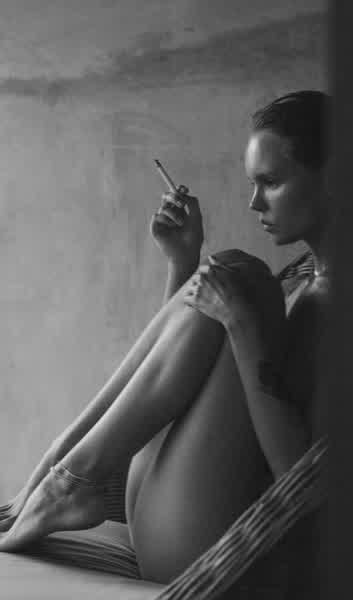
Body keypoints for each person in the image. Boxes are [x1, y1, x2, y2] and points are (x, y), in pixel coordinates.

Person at [0, 90, 331, 588]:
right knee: (230, 274)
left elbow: (303, 484)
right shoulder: (300, 282)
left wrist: (243, 329)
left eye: (271, 182)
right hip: (164, 508)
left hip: (217, 548)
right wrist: (182, 262)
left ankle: (65, 477)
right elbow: (178, 381)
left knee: (240, 275)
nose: (254, 202)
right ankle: (60, 467)